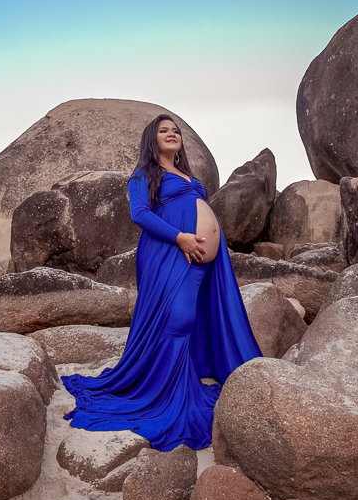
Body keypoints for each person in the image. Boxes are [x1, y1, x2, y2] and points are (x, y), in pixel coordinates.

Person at [61, 114, 262, 451]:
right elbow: (140, 214)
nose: (172, 134)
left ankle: (182, 375)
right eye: (163, 131)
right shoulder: (143, 175)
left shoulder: (186, 174)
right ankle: (166, 389)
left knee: (192, 317)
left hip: (199, 258)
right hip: (167, 252)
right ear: (151, 140)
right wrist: (181, 237)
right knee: (178, 316)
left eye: (175, 131)